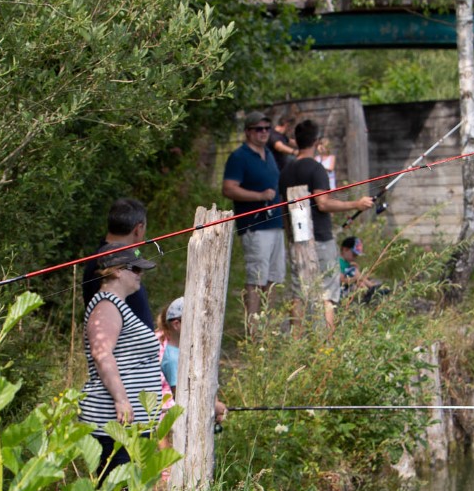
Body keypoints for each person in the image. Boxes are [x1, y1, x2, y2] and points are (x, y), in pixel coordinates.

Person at [80, 243, 163, 491]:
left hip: (131, 423)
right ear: (116, 271)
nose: (140, 274)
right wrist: (122, 400)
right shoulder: (106, 305)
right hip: (113, 421)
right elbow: (101, 353)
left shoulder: (119, 304)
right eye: (135, 269)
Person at [278, 119, 374, 329]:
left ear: (297, 141)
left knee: (298, 294)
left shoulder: (285, 171)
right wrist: (356, 203)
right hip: (320, 239)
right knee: (327, 294)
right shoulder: (316, 169)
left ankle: (295, 343)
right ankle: (326, 347)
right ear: (317, 142)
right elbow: (323, 203)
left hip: (295, 240)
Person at [222, 111, 286, 330]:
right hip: (255, 226)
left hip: (276, 223)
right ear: (248, 131)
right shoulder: (239, 157)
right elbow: (228, 188)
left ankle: (266, 326)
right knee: (257, 277)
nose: (264, 133)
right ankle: (252, 329)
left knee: (274, 277)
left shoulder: (268, 153)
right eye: (259, 129)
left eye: (267, 129)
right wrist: (259, 197)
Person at [82, 198, 154, 329]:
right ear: (138, 229)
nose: (138, 273)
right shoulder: (108, 262)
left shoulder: (97, 258)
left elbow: (137, 254)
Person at [158, 297, 227, 425]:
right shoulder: (173, 359)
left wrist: (214, 402)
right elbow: (182, 395)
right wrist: (213, 406)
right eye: (195, 321)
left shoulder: (187, 353)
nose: (202, 326)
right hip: (183, 423)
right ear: (177, 324)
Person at [340, 236, 387, 303]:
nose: (355, 258)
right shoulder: (339, 262)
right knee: (356, 275)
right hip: (341, 289)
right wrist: (355, 278)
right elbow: (340, 279)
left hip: (349, 285)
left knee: (360, 280)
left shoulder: (347, 263)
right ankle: (372, 287)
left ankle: (370, 292)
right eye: (354, 255)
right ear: (345, 249)